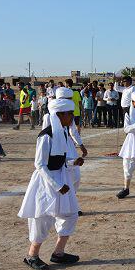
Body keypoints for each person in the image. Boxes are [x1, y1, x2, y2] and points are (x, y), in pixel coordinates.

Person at [18, 98, 83, 270]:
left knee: (70, 214)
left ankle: (58, 253)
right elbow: (40, 165)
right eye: (70, 114)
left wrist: (72, 162)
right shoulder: (45, 136)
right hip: (46, 182)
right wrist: (57, 185)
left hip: (61, 177)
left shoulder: (61, 132)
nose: (72, 118)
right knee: (42, 218)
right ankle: (32, 256)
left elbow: (60, 160)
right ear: (59, 115)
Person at [42, 87, 89, 215]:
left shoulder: (69, 113)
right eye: (67, 100)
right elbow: (46, 133)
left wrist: (81, 145)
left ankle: (72, 202)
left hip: (68, 145)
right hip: (56, 147)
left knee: (76, 177)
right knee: (63, 175)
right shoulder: (49, 115)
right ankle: (64, 205)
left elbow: (73, 131)